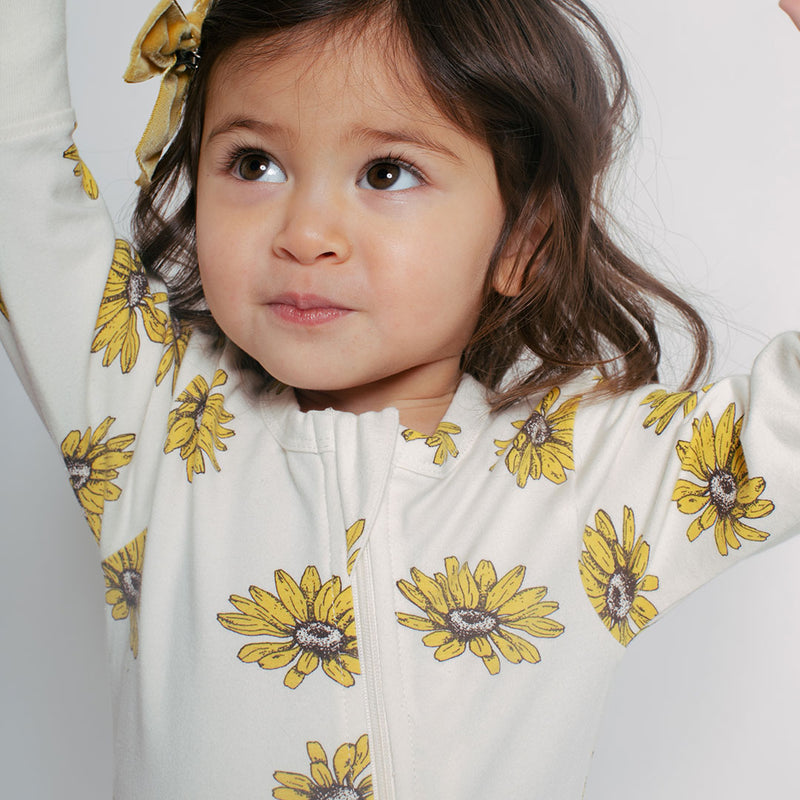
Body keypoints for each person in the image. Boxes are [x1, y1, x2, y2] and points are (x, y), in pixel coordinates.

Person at [0, 0, 797, 798]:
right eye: (254, 164)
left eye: (386, 173)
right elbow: (15, 164)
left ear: (522, 240)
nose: (305, 233)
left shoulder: (593, 478)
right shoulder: (150, 414)